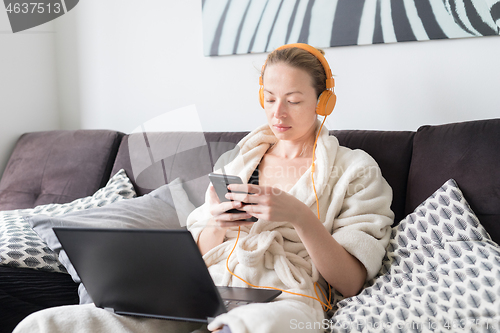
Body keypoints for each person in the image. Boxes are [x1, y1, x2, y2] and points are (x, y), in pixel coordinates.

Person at [13, 44, 394, 333]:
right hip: (210, 287)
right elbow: (198, 250)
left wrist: (299, 217)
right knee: (53, 323)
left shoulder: (354, 170)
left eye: (294, 101)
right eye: (270, 98)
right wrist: (216, 224)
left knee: (253, 325)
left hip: (287, 296)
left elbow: (350, 281)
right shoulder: (238, 161)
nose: (278, 114)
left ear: (323, 102)